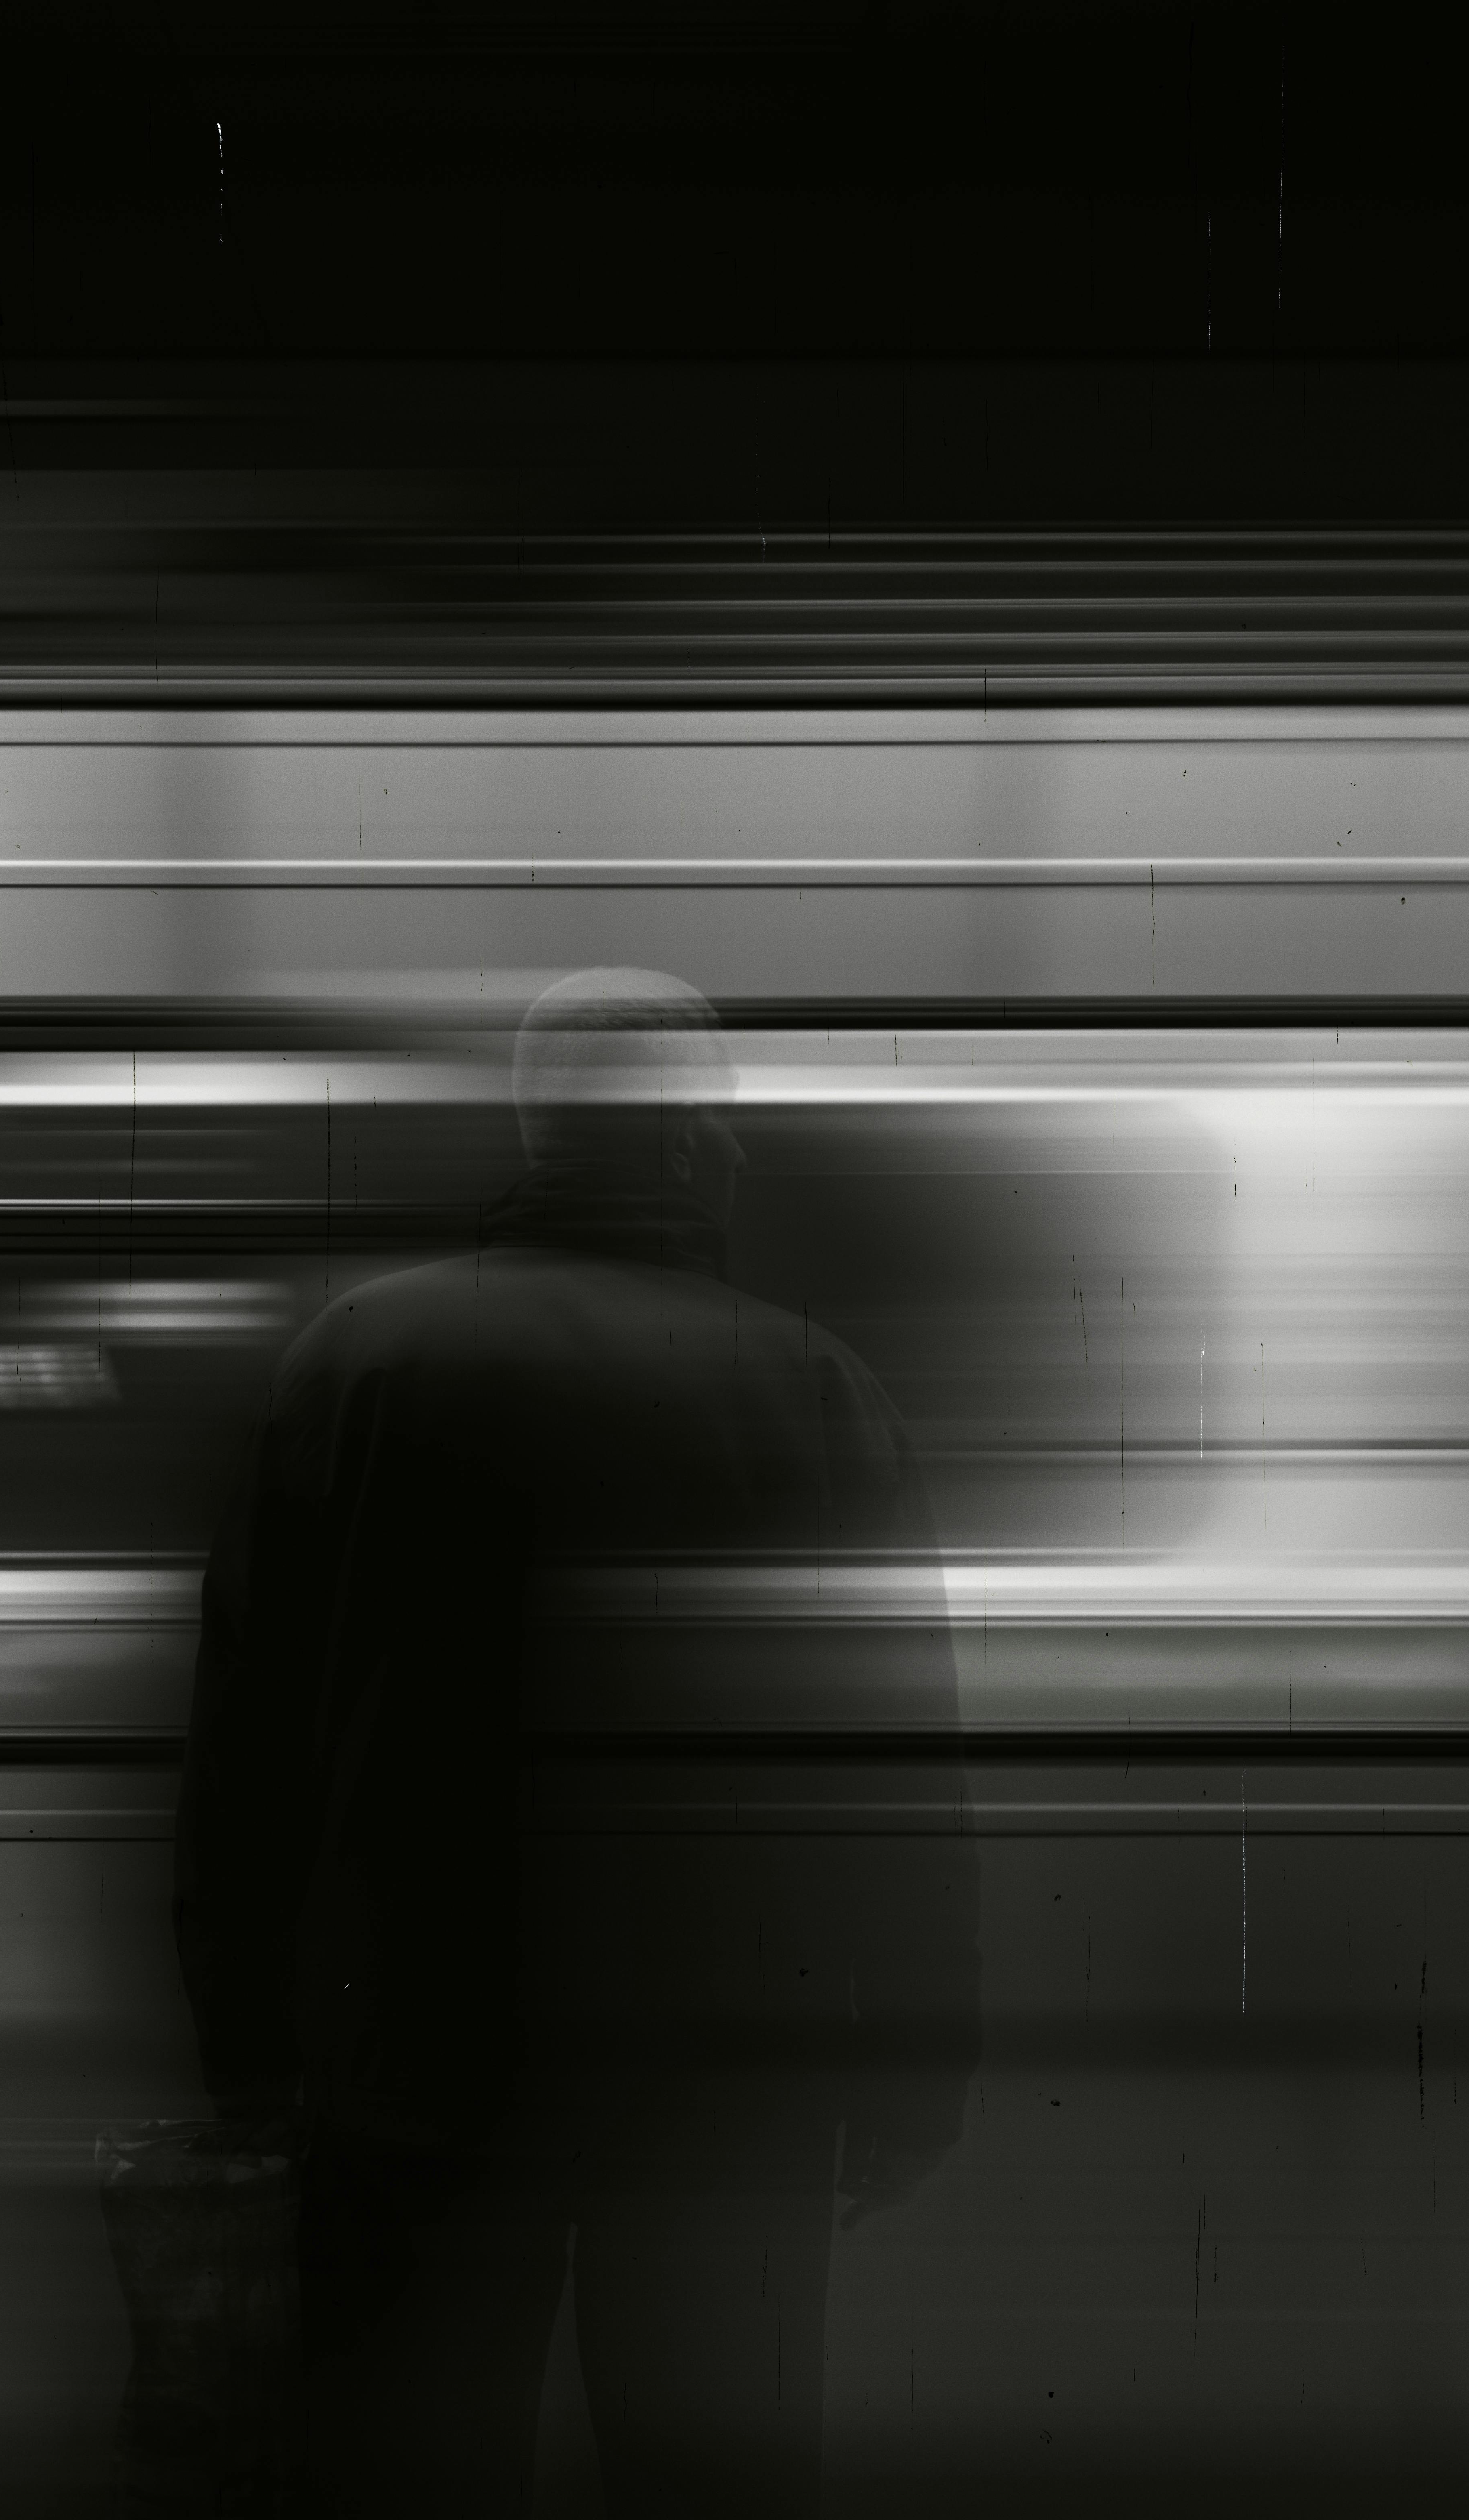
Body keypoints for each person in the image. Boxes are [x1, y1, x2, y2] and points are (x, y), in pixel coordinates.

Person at [171, 968, 979, 2515]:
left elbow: (247, 1738)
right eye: (724, 1128)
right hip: (721, 2096)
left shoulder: (354, 1365)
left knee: (407, 2466)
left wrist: (248, 2054)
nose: (737, 1157)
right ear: (682, 1142)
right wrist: (912, 2073)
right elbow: (892, 1765)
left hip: (408, 2072)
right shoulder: (811, 1388)